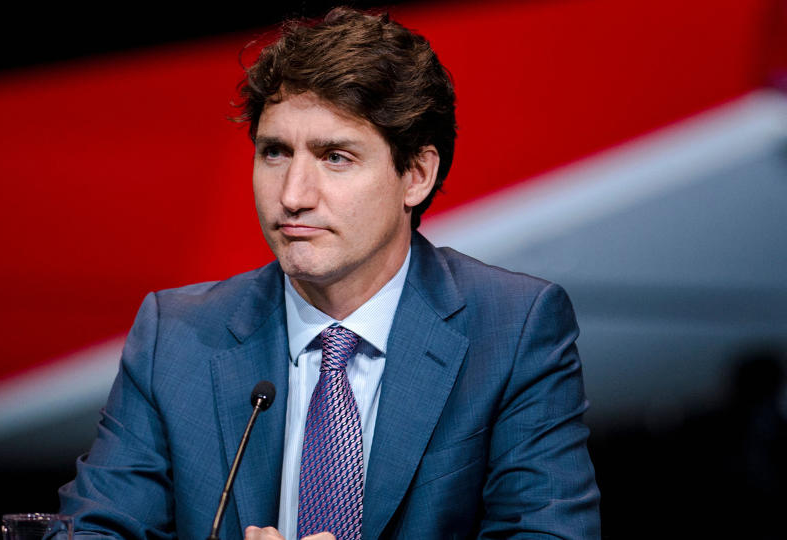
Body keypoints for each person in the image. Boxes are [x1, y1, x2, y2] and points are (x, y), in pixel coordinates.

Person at [59, 7, 600, 539]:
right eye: (274, 152)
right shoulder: (174, 336)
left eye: (335, 157)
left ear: (415, 174)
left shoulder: (511, 330)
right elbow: (92, 532)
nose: (292, 196)